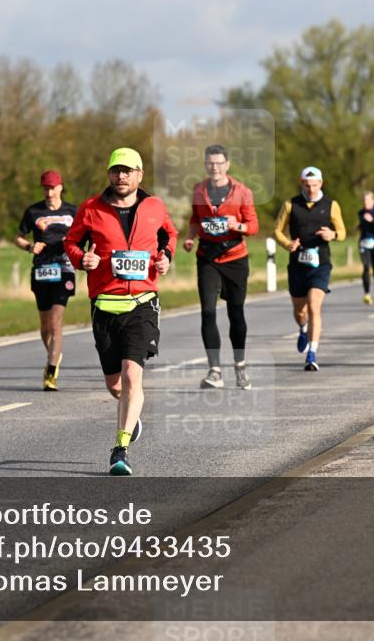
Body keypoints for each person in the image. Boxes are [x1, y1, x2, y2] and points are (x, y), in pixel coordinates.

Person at [64, 148, 177, 476]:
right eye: (116, 171)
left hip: (143, 303)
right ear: (109, 174)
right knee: (115, 385)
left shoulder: (154, 206)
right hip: (105, 306)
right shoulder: (91, 208)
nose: (121, 176)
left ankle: (121, 449)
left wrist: (166, 256)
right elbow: (72, 243)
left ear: (140, 175)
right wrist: (80, 259)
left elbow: (168, 234)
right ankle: (132, 413)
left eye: (128, 171)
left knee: (131, 375)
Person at [182, 144, 259, 390]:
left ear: (227, 164)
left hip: (235, 257)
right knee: (207, 311)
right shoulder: (198, 190)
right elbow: (196, 220)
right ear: (205, 165)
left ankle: (240, 365)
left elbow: (253, 226)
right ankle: (214, 370)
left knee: (235, 313)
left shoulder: (242, 192)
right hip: (207, 257)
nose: (214, 167)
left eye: (219, 163)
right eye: (210, 163)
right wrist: (190, 237)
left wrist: (237, 225)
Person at [273, 166, 346, 371]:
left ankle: (312, 354)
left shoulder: (331, 205)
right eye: (307, 185)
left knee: (314, 306)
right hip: (297, 264)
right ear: (301, 183)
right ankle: (303, 328)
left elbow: (342, 231)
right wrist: (287, 243)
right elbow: (277, 230)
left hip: (320, 263)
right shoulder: (291, 204)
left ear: (321, 184)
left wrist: (332, 235)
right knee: (300, 311)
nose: (311, 189)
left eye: (315, 185)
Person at [16, 170, 77, 391]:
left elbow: (84, 236)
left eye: (53, 187)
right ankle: (54, 354)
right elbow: (18, 237)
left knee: (55, 322)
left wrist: (72, 244)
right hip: (41, 270)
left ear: (61, 187)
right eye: (46, 188)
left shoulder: (72, 211)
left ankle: (51, 371)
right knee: (44, 326)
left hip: (65, 269)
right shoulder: (33, 211)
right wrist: (30, 247)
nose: (49, 192)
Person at [357, 191, 374, 304]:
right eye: (364, 200)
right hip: (364, 242)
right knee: (366, 267)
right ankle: (367, 294)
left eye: (368, 200)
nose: (365, 202)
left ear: (373, 201)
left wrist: (372, 221)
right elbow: (362, 226)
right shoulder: (360, 212)